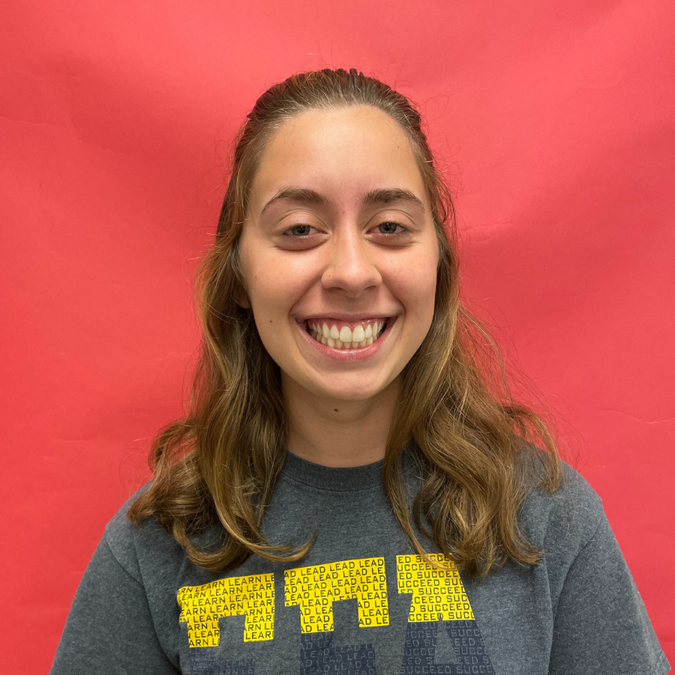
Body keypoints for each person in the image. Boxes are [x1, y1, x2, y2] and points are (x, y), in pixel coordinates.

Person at [50, 68, 669, 675]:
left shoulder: (546, 517)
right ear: (238, 275)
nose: (351, 271)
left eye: (390, 228)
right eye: (299, 229)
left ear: (438, 266)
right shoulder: (157, 547)